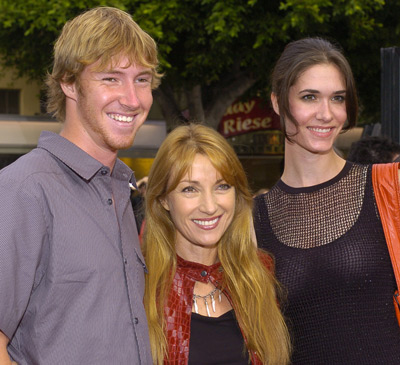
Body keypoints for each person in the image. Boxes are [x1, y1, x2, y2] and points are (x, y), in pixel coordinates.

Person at [0, 7, 161, 365]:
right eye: (111, 79)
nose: (133, 100)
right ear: (69, 83)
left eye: (142, 79)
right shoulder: (24, 190)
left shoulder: (119, 190)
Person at [253, 37, 400, 364]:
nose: (326, 114)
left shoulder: (388, 187)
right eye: (309, 97)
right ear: (278, 103)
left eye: (337, 98)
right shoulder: (253, 220)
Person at [142, 123, 291, 364]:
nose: (210, 206)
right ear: (163, 200)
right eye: (190, 189)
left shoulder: (258, 275)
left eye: (222, 186)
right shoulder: (141, 287)